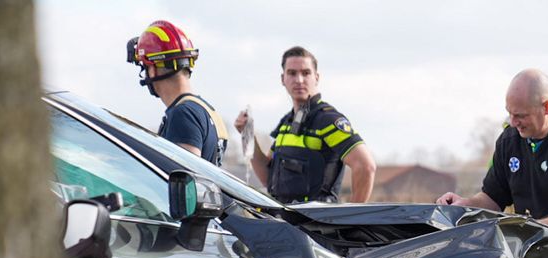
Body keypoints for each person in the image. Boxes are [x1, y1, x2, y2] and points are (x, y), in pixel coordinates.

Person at [437, 69, 548, 247]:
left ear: (546, 107)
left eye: (521, 115)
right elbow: (493, 197)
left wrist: (530, 228)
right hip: (534, 250)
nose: (513, 122)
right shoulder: (509, 141)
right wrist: (465, 205)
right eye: (509, 113)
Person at [235, 47, 377, 204]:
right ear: (283, 79)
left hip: (317, 225)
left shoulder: (327, 119)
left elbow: (365, 166)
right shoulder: (287, 122)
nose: (299, 80)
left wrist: (352, 219)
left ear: (316, 77)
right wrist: (246, 134)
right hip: (286, 221)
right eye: (292, 73)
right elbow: (268, 178)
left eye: (306, 73)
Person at [126, 20, 228, 166]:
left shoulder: (183, 115)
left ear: (153, 69)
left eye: (145, 68)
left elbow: (182, 178)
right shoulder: (206, 111)